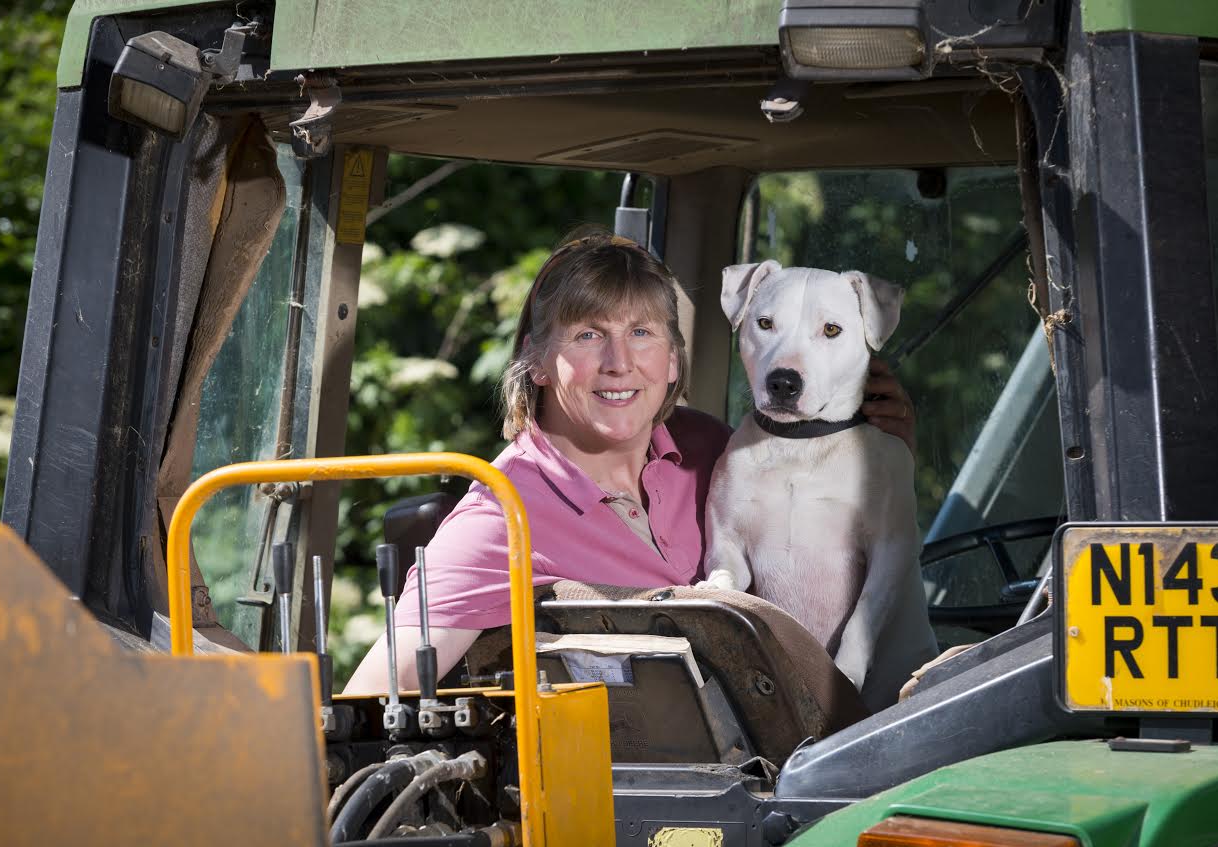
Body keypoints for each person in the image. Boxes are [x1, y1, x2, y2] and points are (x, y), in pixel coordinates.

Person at [343, 231, 915, 694]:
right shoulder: (503, 518)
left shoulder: (718, 451)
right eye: (588, 334)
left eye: (641, 333)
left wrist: (882, 438)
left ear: (671, 360)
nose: (619, 363)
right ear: (538, 362)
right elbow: (374, 699)